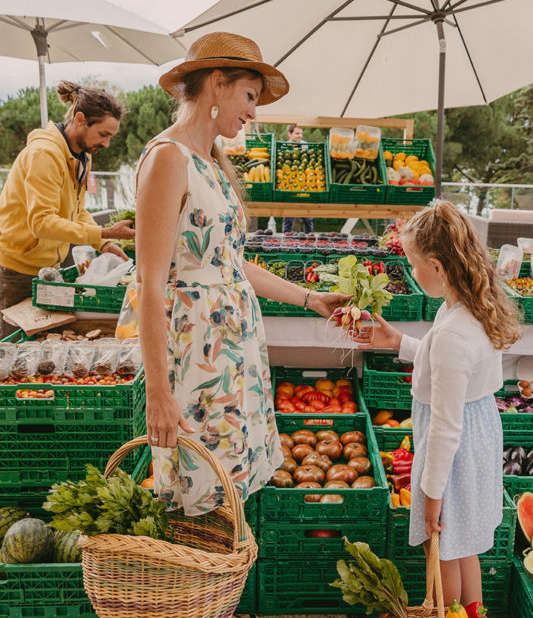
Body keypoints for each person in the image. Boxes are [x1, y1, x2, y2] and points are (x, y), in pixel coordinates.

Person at [135, 32, 348, 514]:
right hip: (196, 358)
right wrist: (158, 393)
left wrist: (310, 298)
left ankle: (224, 587)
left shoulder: (209, 162)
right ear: (217, 83)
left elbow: (231, 264)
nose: (254, 111)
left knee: (230, 496)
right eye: (250, 96)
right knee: (200, 494)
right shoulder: (168, 158)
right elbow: (149, 283)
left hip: (232, 355)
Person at [352, 201, 520, 612]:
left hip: (454, 452)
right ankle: (474, 611)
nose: (411, 272)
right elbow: (450, 365)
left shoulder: (453, 331)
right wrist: (398, 343)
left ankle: (449, 611)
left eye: (413, 264)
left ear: (438, 266)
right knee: (467, 545)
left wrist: (430, 498)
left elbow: (445, 426)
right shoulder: (472, 307)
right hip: (478, 435)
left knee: (441, 545)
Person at [0, 81, 134, 337]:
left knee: (40, 347)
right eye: (103, 134)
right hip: (15, 270)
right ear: (81, 119)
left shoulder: (82, 155)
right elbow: (41, 223)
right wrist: (105, 234)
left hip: (47, 268)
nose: (106, 144)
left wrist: (102, 245)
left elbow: (78, 210)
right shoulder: (45, 154)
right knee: (12, 352)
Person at [281, 124, 314, 234]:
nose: (300, 136)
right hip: (289, 186)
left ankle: (308, 241)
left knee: (308, 218)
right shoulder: (284, 147)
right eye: (297, 133)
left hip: (304, 185)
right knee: (288, 219)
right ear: (289, 134)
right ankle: (286, 242)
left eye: (301, 133)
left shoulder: (306, 146)